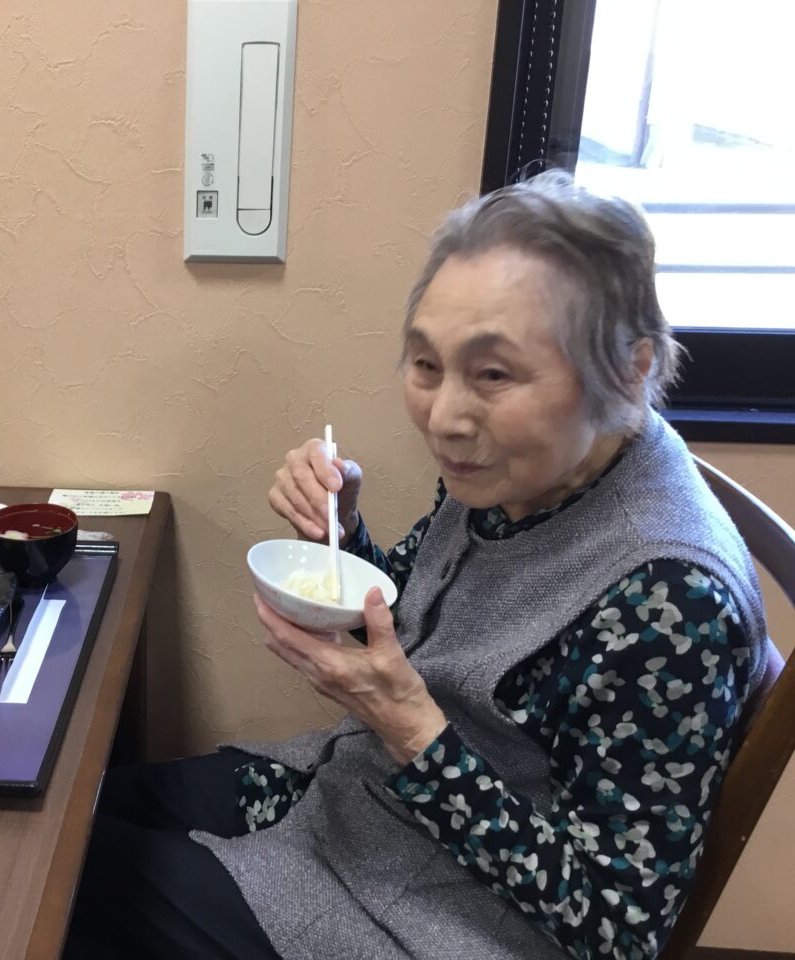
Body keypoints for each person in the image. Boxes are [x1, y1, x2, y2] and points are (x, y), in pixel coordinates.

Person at [62, 172, 769, 960]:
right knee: (63, 812)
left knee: (55, 885)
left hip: (429, 912)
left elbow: (617, 930)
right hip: (351, 796)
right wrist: (342, 533)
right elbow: (410, 618)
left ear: (630, 370)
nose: (445, 417)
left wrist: (411, 729)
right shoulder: (527, 473)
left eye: (493, 374)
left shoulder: (671, 601)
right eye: (426, 364)